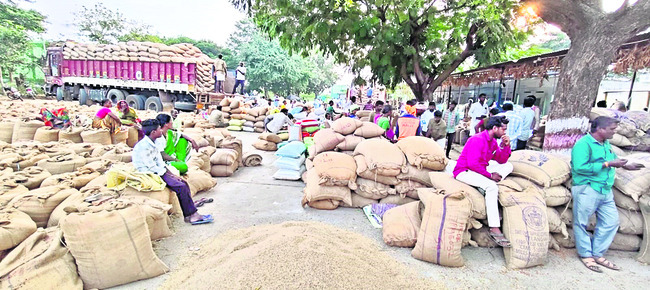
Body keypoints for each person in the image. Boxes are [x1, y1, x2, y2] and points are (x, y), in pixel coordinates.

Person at [571, 116, 644, 272]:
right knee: (581, 223)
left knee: (611, 222)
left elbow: (613, 159)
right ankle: (586, 255)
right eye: (612, 129)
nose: (614, 132)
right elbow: (579, 167)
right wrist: (608, 164)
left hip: (605, 189)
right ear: (600, 129)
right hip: (587, 188)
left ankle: (597, 253)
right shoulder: (583, 144)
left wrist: (626, 165)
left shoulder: (606, 144)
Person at [133, 119, 212, 225]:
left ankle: (189, 215)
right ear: (153, 132)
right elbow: (152, 167)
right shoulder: (144, 146)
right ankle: (193, 215)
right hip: (148, 172)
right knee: (181, 187)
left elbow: (160, 163)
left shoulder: (154, 142)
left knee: (183, 182)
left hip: (158, 170)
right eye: (159, 129)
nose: (161, 131)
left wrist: (172, 175)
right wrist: (168, 176)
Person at [454, 116, 514, 247]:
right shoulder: (477, 139)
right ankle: (494, 227)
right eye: (503, 130)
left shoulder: (492, 142)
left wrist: (506, 147)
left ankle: (490, 181)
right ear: (494, 128)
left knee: (509, 166)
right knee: (492, 187)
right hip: (465, 171)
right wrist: (489, 175)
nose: (504, 133)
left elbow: (501, 160)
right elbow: (472, 164)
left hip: (480, 170)